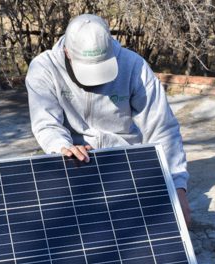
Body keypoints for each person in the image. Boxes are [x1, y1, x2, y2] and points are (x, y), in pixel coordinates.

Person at [25, 14, 192, 226]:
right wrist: (61, 147)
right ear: (67, 52)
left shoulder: (134, 66)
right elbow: (46, 122)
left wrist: (177, 186)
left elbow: (162, 128)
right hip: (74, 158)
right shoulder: (44, 68)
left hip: (122, 157)